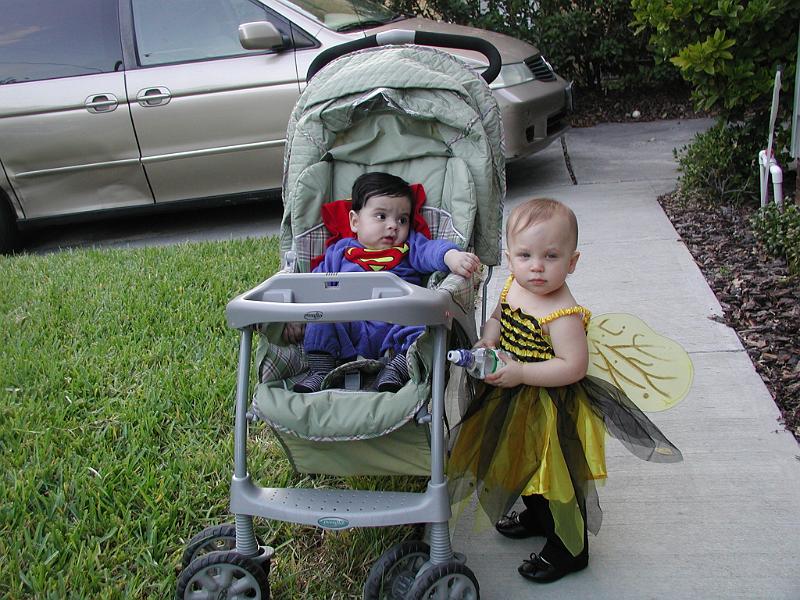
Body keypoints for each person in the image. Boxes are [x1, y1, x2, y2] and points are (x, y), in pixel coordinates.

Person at [447, 198, 683, 584]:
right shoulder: (512, 287)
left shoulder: (561, 312)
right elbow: (497, 318)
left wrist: (521, 371)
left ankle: (569, 549)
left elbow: (573, 366)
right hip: (512, 395)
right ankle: (538, 516)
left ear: (572, 262)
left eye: (550, 256)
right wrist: (488, 340)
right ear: (509, 258)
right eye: (525, 255)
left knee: (555, 480)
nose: (536, 266)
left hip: (551, 404)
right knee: (518, 465)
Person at [293, 172, 480, 393]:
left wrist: (450, 256)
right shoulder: (339, 252)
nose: (393, 226)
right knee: (321, 315)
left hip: (394, 325)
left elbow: (431, 250)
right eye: (381, 216)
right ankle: (321, 370)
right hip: (348, 325)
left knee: (420, 323)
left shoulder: (408, 248)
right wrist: (296, 315)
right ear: (355, 221)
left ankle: (397, 368)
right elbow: (312, 284)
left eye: (402, 219)